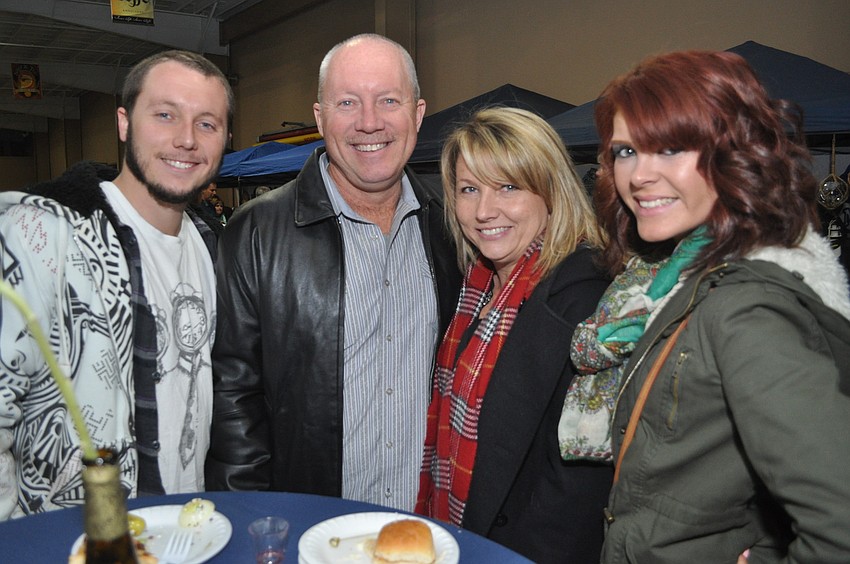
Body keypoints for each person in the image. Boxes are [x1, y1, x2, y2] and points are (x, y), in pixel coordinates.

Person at [581, 50, 850, 563]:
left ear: (736, 153)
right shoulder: (689, 274)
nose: (638, 176)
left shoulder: (746, 309)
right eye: (626, 151)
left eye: (671, 148)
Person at [205, 34, 461, 511]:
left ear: (418, 113)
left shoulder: (453, 228)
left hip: (426, 525)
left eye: (389, 100)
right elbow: (232, 396)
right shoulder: (256, 232)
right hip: (310, 526)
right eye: (348, 102)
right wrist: (253, 520)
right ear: (320, 118)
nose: (369, 121)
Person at [0, 49, 232, 519]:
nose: (186, 139)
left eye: (207, 123)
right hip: (73, 534)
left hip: (182, 527)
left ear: (225, 139)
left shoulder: (212, 246)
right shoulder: (42, 236)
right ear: (124, 123)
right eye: (165, 115)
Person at [415, 107, 612, 562]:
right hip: (455, 537)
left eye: (508, 187)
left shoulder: (584, 300)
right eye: (469, 189)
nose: (485, 211)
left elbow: (579, 487)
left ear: (551, 192)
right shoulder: (475, 287)